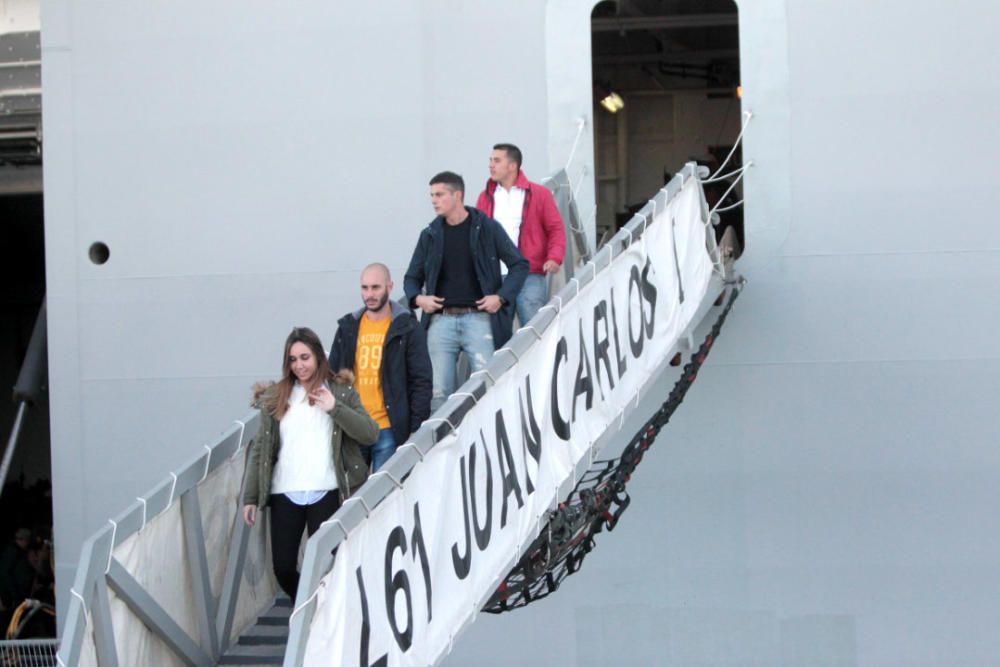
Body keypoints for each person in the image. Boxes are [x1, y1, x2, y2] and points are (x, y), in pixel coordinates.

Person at [242, 327, 378, 599]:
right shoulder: (276, 397)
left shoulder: (339, 391)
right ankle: (309, 609)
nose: (299, 365)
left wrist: (334, 408)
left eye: (304, 357)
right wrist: (251, 496)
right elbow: (261, 450)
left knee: (328, 567)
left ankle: (317, 622)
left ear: (317, 356)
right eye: (293, 359)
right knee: (282, 568)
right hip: (285, 492)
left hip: (327, 491)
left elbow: (369, 433)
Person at [404, 171, 528, 411]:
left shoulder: (487, 228)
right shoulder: (430, 234)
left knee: (488, 388)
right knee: (439, 394)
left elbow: (519, 265)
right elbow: (411, 277)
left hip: (479, 319)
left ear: (457, 195)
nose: (434, 200)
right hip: (441, 321)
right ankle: (444, 447)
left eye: (439, 195)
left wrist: (501, 297)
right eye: (432, 195)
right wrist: (419, 299)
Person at [329, 263, 432, 471]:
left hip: (388, 429)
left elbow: (421, 380)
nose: (370, 294)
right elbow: (332, 375)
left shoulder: (407, 327)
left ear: (389, 287)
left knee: (384, 499)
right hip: (354, 427)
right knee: (351, 497)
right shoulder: (348, 327)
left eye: (376, 287)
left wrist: (415, 427)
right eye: (365, 288)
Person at [476, 143, 566, 324]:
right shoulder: (485, 197)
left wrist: (554, 257)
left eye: (497, 160)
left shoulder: (539, 194)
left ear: (512, 165)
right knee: (499, 338)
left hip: (529, 272)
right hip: (495, 276)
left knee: (533, 332)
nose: (491, 165)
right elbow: (476, 236)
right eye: (490, 160)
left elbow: (555, 228)